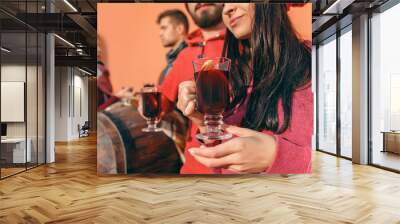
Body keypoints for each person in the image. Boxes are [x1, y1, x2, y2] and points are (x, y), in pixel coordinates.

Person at [177, 3, 313, 174]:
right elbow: (225, 168)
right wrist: (206, 125)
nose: (226, 10)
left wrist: (276, 157)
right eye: (224, 3)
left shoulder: (313, 60)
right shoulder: (236, 76)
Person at [157, 9, 189, 84]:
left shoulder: (193, 60)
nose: (160, 33)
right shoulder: (166, 69)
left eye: (164, 28)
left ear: (180, 29)